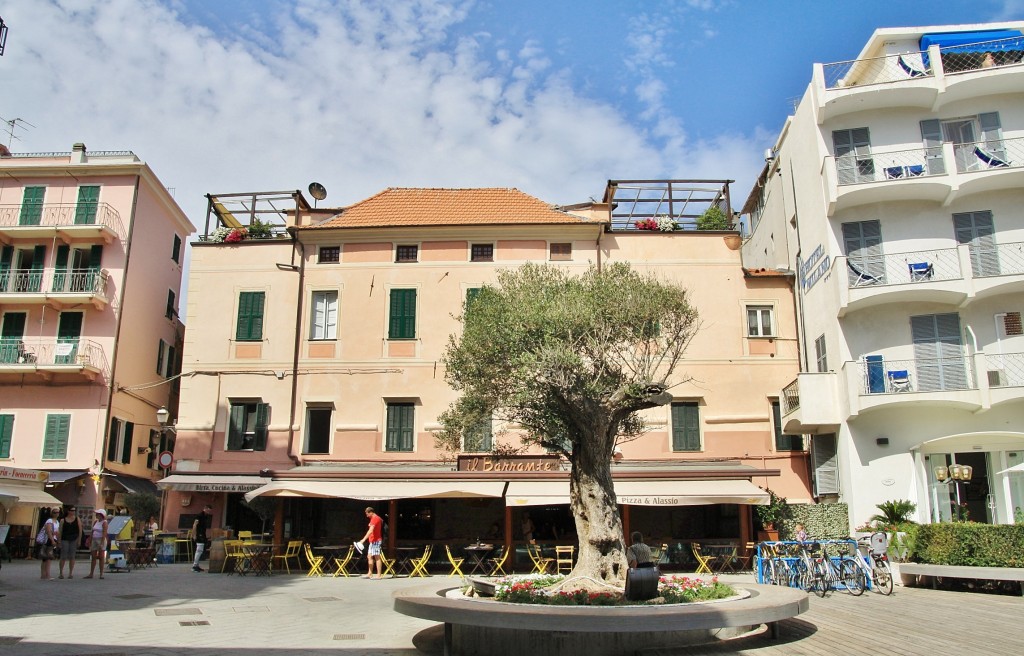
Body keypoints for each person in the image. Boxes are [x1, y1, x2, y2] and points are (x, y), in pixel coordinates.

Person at [358, 506, 384, 579]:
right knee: (369, 556)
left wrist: (363, 540)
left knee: (377, 557)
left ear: (371, 512)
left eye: (367, 513)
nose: (366, 515)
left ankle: (379, 575)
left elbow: (370, 530)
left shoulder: (375, 518)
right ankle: (370, 573)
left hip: (376, 540)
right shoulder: (373, 518)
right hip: (372, 541)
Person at [84, 508, 109, 579]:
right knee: (93, 557)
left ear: (101, 515)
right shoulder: (96, 522)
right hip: (94, 539)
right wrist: (90, 539)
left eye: (98, 514)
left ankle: (101, 574)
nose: (96, 515)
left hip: (101, 539)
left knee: (101, 557)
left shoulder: (104, 523)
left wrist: (101, 543)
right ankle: (91, 573)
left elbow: (104, 533)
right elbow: (92, 531)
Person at [58, 506, 81, 579]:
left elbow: (80, 530)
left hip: (74, 539)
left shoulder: (77, 519)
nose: (73, 512)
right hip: (65, 538)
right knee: (63, 556)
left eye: (74, 510)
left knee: (72, 556)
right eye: (72, 510)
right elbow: (60, 531)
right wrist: (59, 541)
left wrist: (79, 540)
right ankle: (61, 572)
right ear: (68, 511)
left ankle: (70, 573)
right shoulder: (63, 520)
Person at [39, 507, 61, 580]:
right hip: (49, 540)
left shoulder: (57, 522)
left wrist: (57, 539)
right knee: (48, 557)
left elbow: (57, 532)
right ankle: (47, 575)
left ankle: (43, 575)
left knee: (46, 558)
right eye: (55, 512)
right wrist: (52, 540)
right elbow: (48, 531)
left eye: (58, 512)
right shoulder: (49, 520)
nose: (56, 514)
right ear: (52, 513)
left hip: (54, 539)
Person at [191, 504, 213, 572]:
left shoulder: (205, 516)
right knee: (199, 550)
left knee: (200, 550)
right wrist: (194, 535)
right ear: (205, 509)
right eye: (208, 511)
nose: (209, 512)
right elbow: (194, 525)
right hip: (199, 534)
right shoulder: (199, 516)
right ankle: (194, 566)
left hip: (202, 534)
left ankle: (197, 565)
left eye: (210, 511)